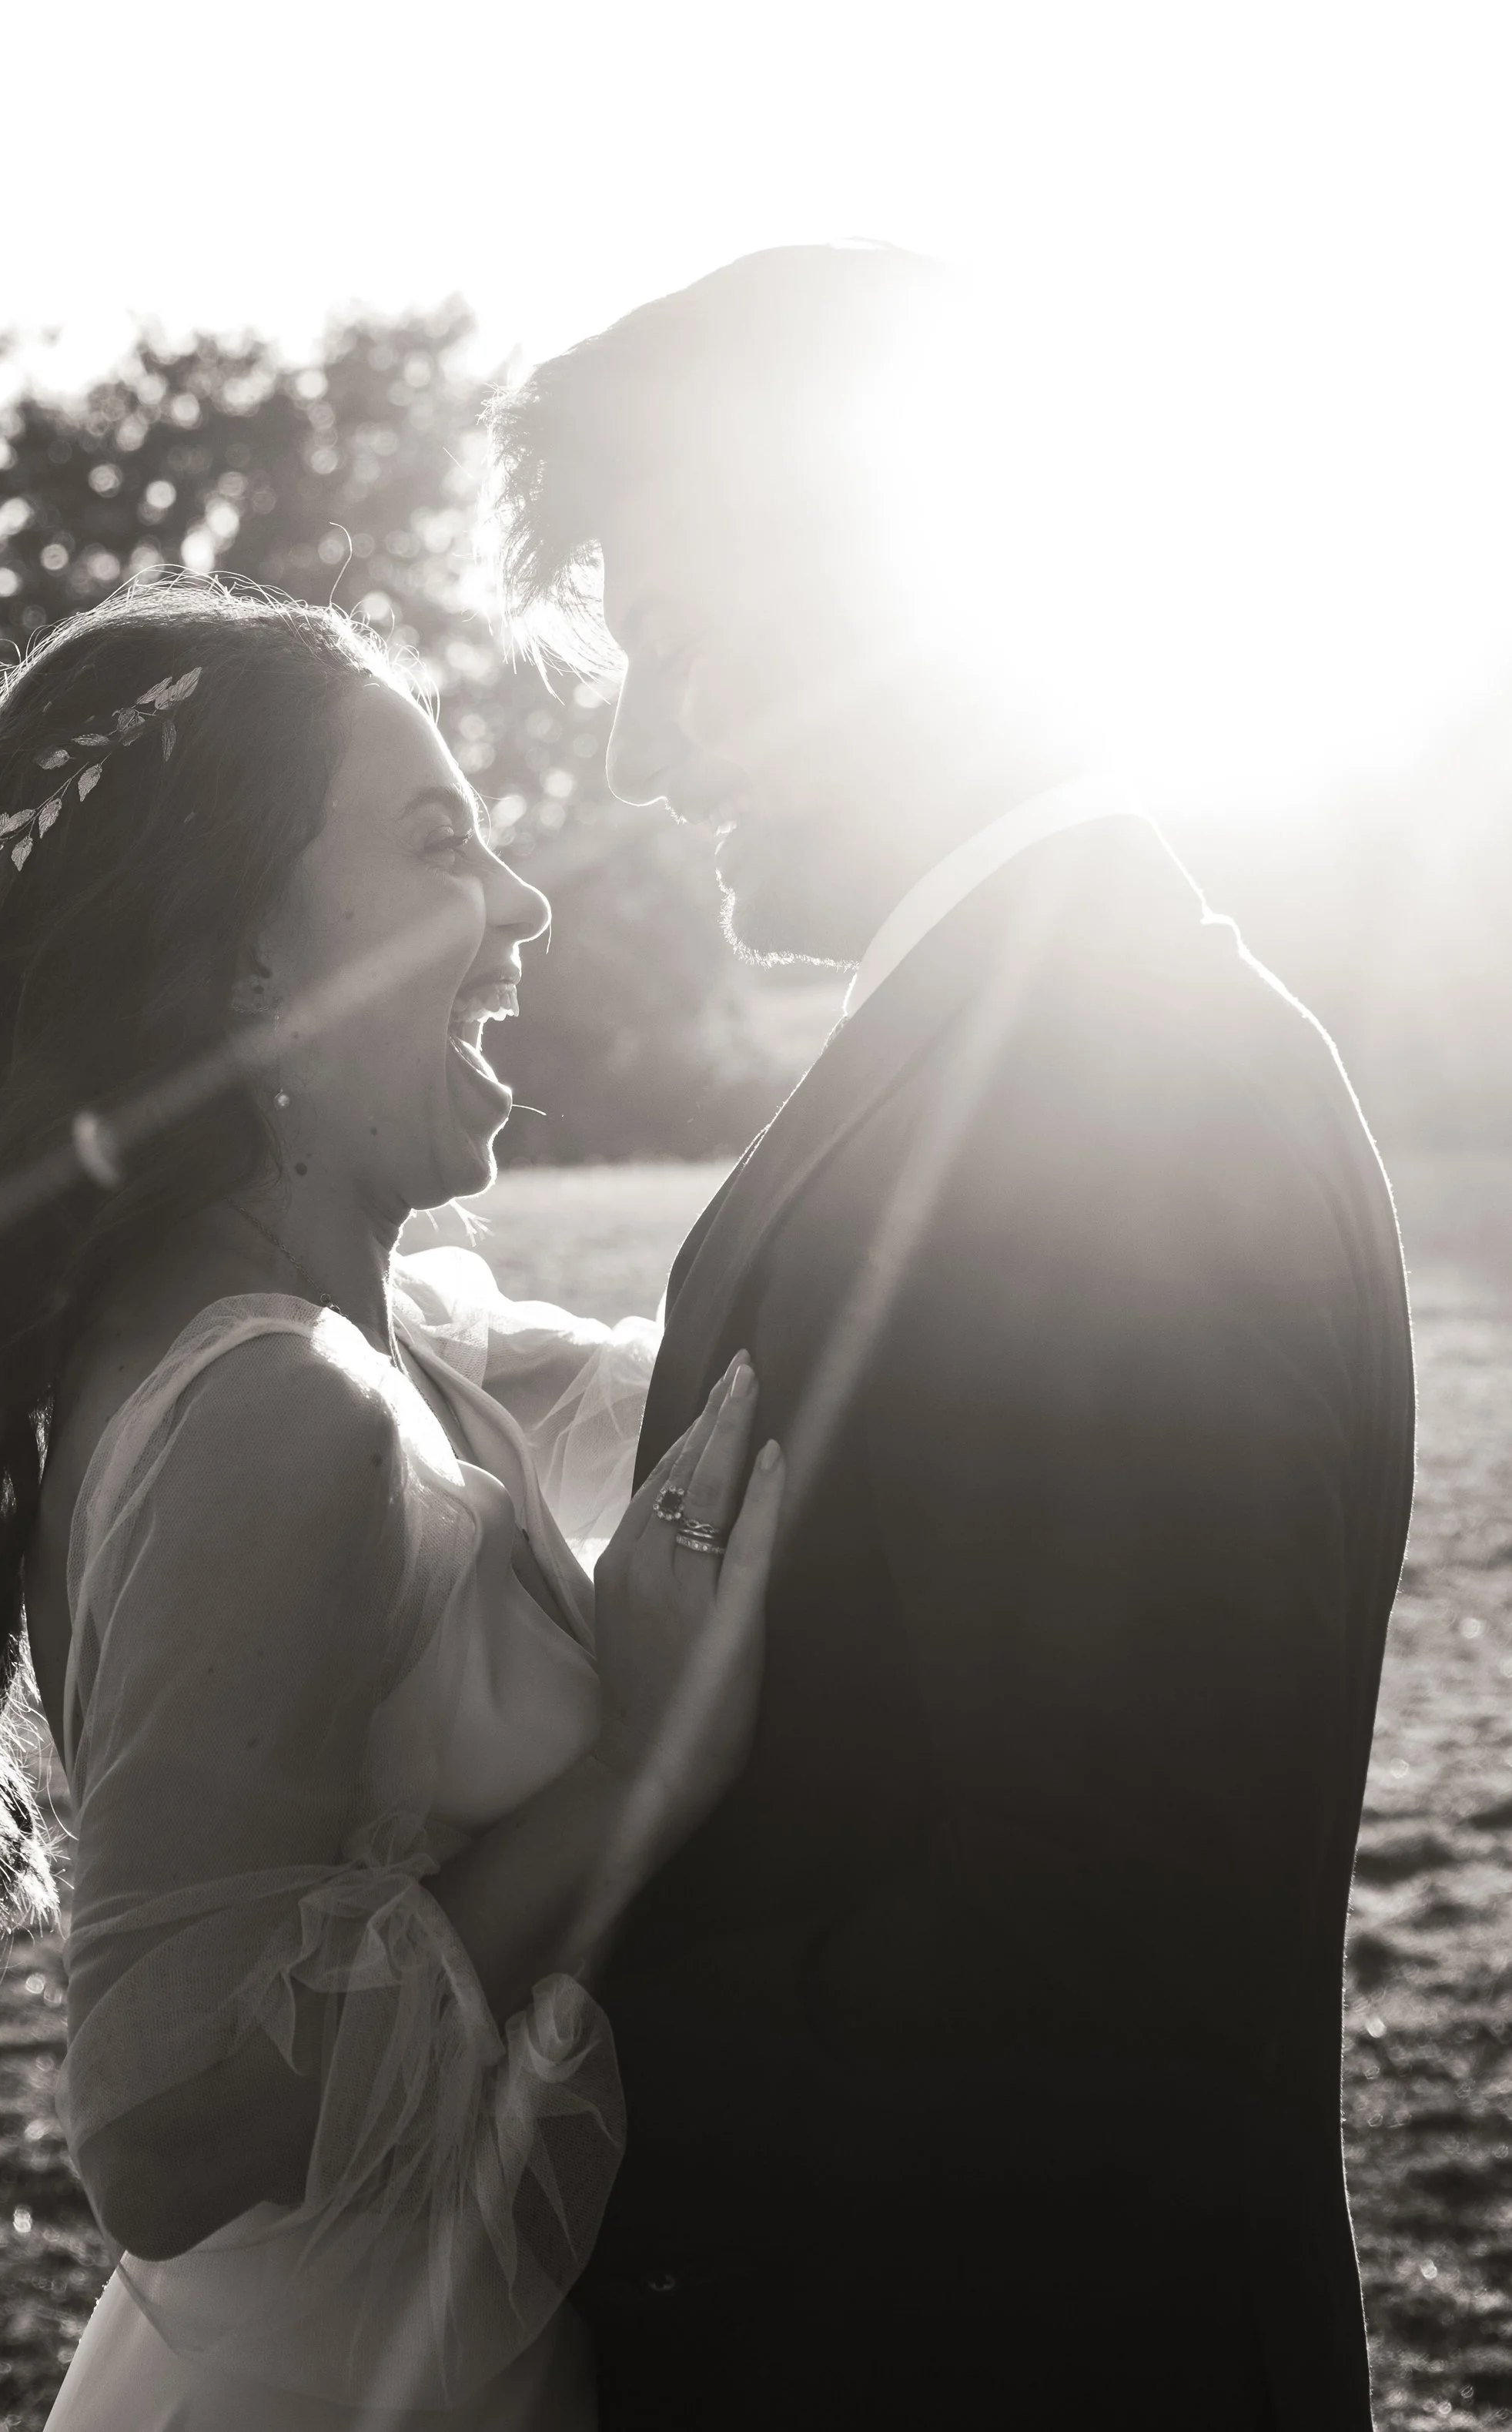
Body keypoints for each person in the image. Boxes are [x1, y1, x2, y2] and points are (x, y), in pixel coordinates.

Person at [483, 244, 1417, 2432]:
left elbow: (1088, 1960)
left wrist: (513, 2083)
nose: (633, 749)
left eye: (672, 647)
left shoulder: (1090, 1099)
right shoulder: (1036, 1030)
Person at [0, 578, 788, 2431]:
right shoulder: (275, 1411)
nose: (522, 906)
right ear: (245, 958)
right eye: (436, 845)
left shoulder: (377, 1337)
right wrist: (633, 1772)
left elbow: (723, 1390)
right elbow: (153, 2130)